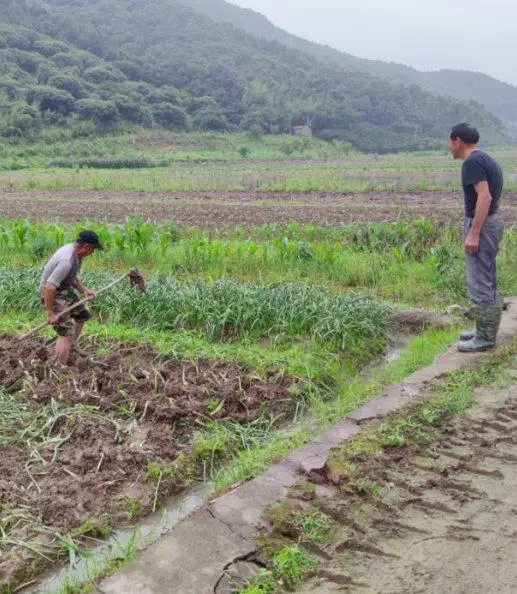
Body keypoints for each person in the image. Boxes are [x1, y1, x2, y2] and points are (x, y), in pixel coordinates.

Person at [448, 123, 504, 352]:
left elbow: (485, 197)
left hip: (483, 224)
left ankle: (485, 338)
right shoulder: (485, 158)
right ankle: (485, 329)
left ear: (457, 141)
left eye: (450, 142)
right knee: (488, 278)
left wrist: (474, 233)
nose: (449, 147)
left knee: (480, 280)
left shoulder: (471, 162)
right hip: (492, 222)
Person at [40, 230, 104, 365]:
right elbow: (50, 287)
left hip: (63, 291)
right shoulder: (67, 260)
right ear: (86, 247)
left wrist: (84, 291)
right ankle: (59, 368)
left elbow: (72, 278)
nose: (92, 253)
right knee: (66, 333)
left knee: (83, 315)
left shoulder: (77, 256)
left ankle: (72, 346)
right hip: (53, 295)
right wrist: (50, 313)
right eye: (93, 249)